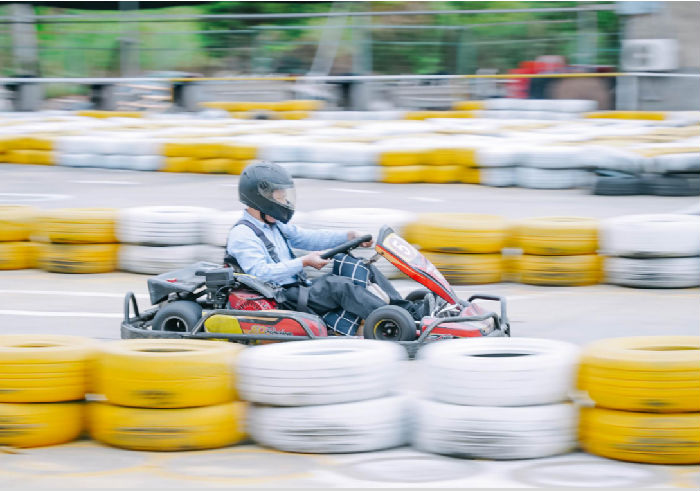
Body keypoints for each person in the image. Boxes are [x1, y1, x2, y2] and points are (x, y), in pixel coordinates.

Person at [225, 161, 427, 330]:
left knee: (359, 266)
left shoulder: (274, 225)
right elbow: (260, 273)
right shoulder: (243, 235)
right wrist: (304, 262)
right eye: (279, 196)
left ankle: (410, 313)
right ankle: (396, 323)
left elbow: (308, 238)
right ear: (260, 198)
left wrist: (348, 236)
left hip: (298, 288)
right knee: (338, 287)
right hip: (282, 297)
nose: (284, 201)